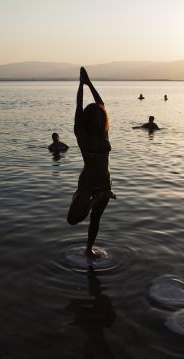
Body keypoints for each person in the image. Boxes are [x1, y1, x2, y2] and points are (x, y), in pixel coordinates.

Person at [67, 67, 115, 258]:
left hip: (105, 181)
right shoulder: (82, 135)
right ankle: (89, 199)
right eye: (93, 117)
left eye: (99, 117)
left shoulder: (104, 133)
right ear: (87, 119)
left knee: (96, 219)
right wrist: (81, 85)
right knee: (73, 219)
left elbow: (101, 103)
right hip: (88, 183)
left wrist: (90, 83)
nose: (97, 119)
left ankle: (89, 249)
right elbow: (78, 108)